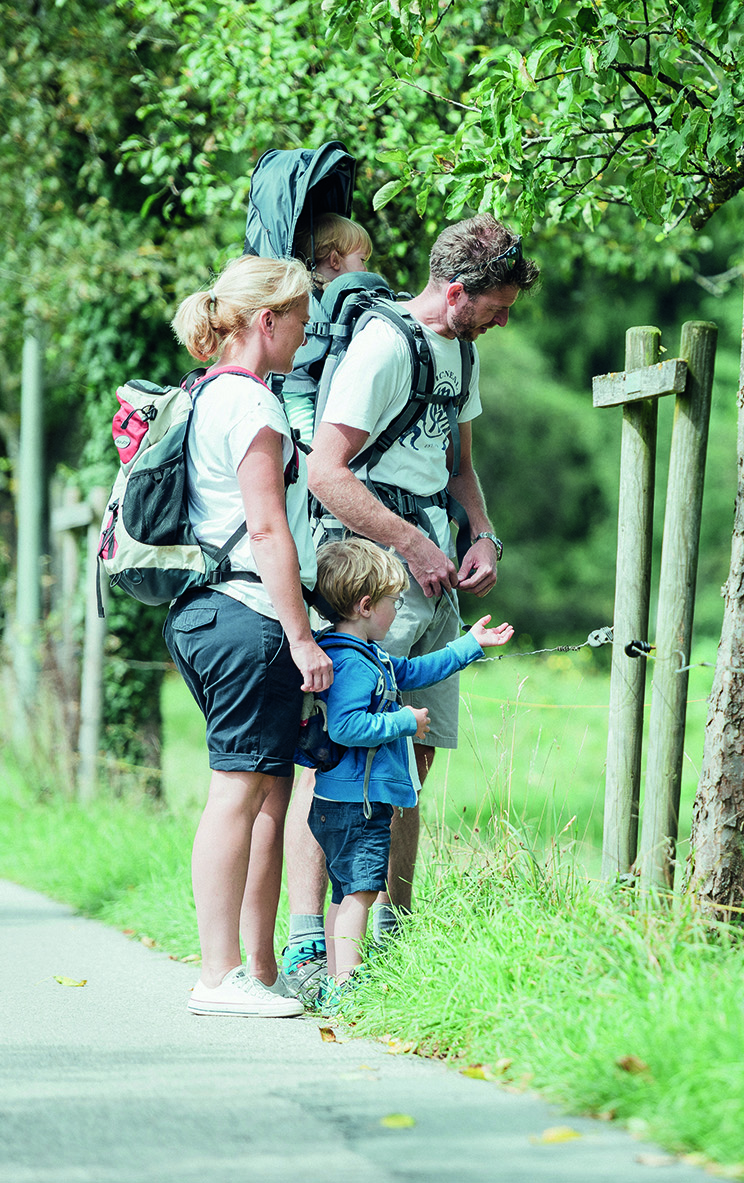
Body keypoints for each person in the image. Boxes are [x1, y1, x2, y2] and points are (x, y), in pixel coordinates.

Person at [279, 215, 540, 1002]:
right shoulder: (385, 346)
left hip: (431, 572)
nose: (505, 319)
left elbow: (459, 467)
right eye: (497, 304)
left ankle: (393, 936)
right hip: (368, 571)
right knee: (339, 764)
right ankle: (307, 943)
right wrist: (412, 547)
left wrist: (483, 536)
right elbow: (327, 472)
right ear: (456, 290)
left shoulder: (464, 349)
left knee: (411, 761)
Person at [166, 255, 333, 1018]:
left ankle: (251, 969)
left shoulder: (207, 395)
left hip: (207, 613)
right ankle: (217, 974)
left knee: (264, 788)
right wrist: (302, 637)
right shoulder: (256, 408)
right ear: (267, 321)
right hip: (248, 618)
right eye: (300, 319)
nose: (307, 333)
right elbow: (267, 529)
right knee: (238, 790)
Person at [304, 538, 512, 999]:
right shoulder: (352, 664)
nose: (397, 611)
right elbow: (345, 726)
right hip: (357, 804)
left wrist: (470, 645)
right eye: (392, 603)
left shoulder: (363, 655)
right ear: (364, 606)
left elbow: (414, 673)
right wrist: (404, 721)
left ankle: (336, 983)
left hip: (344, 801)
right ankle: (349, 988)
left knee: (345, 895)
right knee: (360, 893)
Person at [283, 213, 375, 443]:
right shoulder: (303, 294)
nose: (365, 270)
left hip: (317, 390)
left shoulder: (330, 295)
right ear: (335, 260)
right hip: (296, 392)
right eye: (362, 260)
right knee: (308, 446)